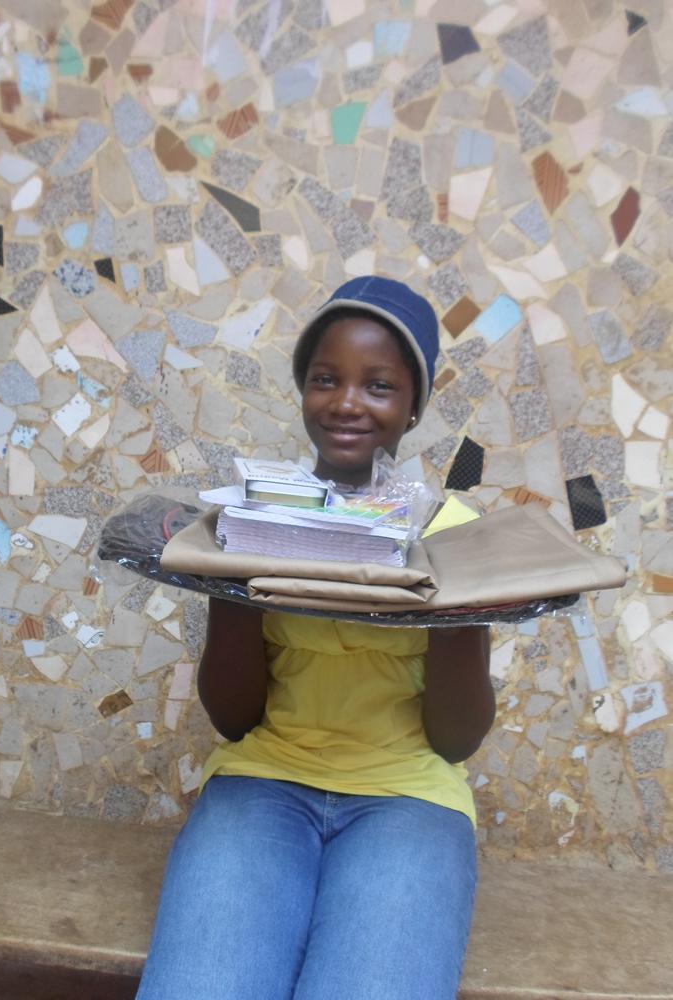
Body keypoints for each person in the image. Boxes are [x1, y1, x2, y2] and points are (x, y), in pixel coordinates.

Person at [135, 276, 495, 1000]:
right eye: (326, 379)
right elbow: (235, 718)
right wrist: (237, 577)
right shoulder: (255, 516)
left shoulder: (455, 534)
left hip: (409, 796)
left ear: (414, 404)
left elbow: (455, 741)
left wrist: (452, 608)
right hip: (264, 781)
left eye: (379, 385)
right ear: (303, 390)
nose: (347, 402)